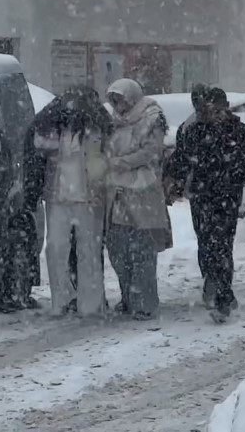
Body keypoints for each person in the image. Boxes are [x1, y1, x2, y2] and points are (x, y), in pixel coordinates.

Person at [165, 87, 245, 323]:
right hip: (202, 195)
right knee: (206, 242)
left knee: (223, 243)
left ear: (226, 107)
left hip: (227, 196)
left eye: (218, 108)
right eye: (210, 108)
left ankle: (223, 293)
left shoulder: (238, 130)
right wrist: (174, 180)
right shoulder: (194, 130)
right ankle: (211, 281)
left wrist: (234, 178)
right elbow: (181, 159)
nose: (214, 113)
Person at [31, 85, 112, 316]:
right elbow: (38, 143)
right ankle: (61, 300)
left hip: (89, 197)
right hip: (58, 196)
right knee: (56, 248)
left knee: (89, 249)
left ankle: (91, 303)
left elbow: (108, 155)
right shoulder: (53, 128)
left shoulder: (97, 128)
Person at [105, 78, 173, 320]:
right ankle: (128, 297)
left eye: (120, 100)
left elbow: (150, 152)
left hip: (142, 193)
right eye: (114, 101)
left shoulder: (151, 118)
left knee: (142, 252)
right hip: (117, 193)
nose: (118, 106)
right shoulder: (113, 122)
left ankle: (145, 302)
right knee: (119, 251)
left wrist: (120, 163)